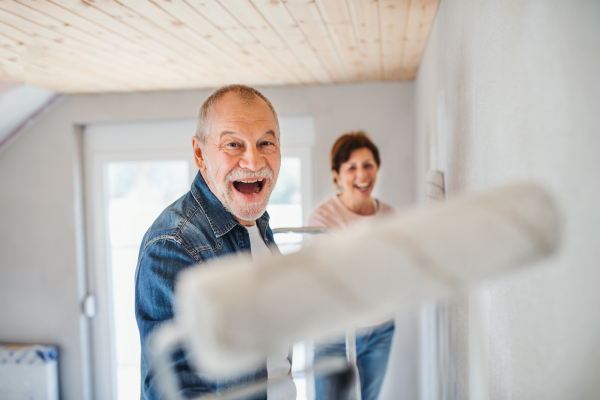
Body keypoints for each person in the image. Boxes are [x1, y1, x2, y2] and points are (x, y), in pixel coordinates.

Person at [135, 85, 295, 400]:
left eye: (266, 142)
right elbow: (178, 392)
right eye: (233, 144)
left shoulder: (257, 222)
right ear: (200, 154)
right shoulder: (173, 244)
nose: (253, 161)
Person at [308, 132, 395, 400]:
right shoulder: (322, 218)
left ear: (377, 167)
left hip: (379, 330)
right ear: (337, 174)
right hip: (333, 335)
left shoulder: (389, 216)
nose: (362, 174)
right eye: (351, 167)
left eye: (368, 165)